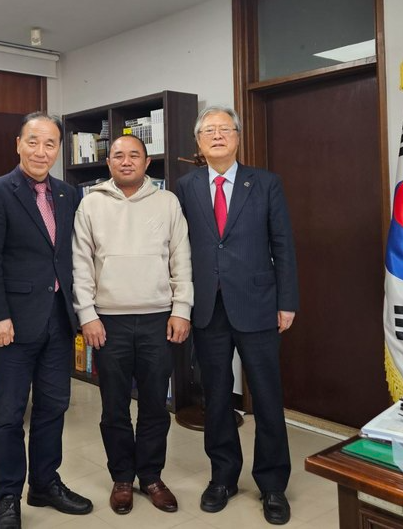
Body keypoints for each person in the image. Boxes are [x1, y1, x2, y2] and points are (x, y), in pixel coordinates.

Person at [175, 105, 299, 526]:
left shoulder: (265, 183)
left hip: (258, 304)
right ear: (198, 141)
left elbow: (283, 244)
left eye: (224, 129)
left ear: (237, 137)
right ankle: (223, 477)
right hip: (207, 307)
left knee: (267, 397)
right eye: (208, 130)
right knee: (215, 398)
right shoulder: (185, 187)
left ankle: (273, 484)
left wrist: (287, 301)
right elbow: (179, 247)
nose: (217, 135)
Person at [0, 112, 93, 529]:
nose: (41, 151)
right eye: (33, 142)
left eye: (50, 144)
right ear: (18, 144)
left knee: (53, 406)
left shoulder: (67, 193)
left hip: (58, 320)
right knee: (8, 413)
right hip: (13, 324)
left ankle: (44, 483)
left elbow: (70, 255)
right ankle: (7, 496)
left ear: (59, 149)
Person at [72, 134, 194, 515]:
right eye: (118, 156)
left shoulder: (167, 202)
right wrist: (88, 315)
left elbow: (181, 258)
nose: (126, 161)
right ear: (108, 162)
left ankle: (151, 476)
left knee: (156, 405)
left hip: (159, 319)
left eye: (134, 155)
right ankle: (122, 477)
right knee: (114, 407)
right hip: (108, 323)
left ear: (146, 162)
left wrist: (182, 309)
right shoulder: (91, 204)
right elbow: (81, 264)